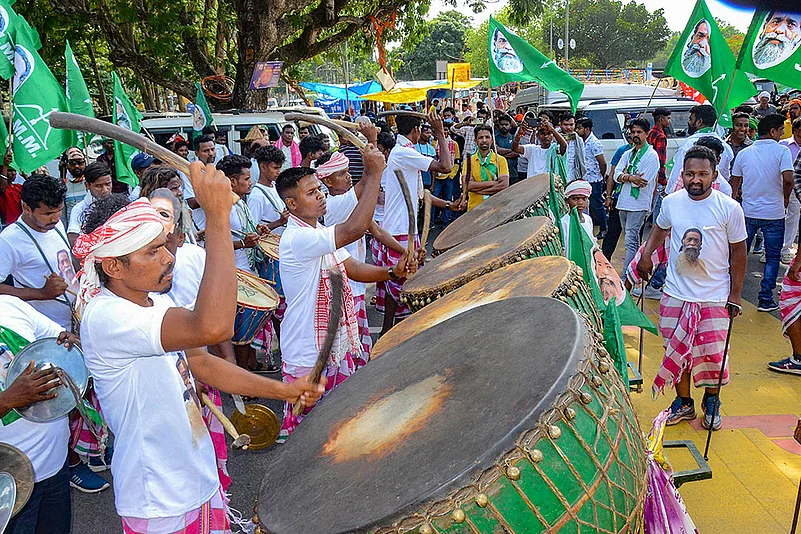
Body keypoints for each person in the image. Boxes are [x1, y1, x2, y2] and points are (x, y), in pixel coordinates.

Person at [75, 162, 324, 532]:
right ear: (113, 265)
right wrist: (217, 217)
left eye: (165, 246)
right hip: (159, 503)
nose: (169, 257)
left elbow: (202, 364)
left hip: (197, 481)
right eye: (152, 253)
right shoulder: (108, 317)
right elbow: (213, 326)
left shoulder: (152, 301)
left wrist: (283, 390)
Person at [275, 150, 413, 439]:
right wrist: (374, 174)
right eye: (312, 193)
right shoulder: (299, 238)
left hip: (333, 349)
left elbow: (351, 268)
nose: (321, 196)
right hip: (308, 354)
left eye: (320, 190)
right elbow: (354, 229)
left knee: (339, 429)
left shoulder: (317, 231)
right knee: (312, 439)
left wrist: (392, 272)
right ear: (292, 204)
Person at [637, 146, 746, 431]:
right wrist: (647, 255)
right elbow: (660, 229)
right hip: (675, 294)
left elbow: (739, 253)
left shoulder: (730, 208)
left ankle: (711, 401)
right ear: (682, 174)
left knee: (713, 355)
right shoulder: (672, 202)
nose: (695, 180)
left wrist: (735, 295)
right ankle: (683, 403)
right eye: (690, 174)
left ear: (714, 174)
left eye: (702, 174)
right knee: (677, 351)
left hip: (715, 297)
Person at [318, 149, 405, 368]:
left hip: (356, 290)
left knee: (357, 355)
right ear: (327, 180)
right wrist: (372, 144)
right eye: (341, 174)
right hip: (345, 288)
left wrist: (405, 252)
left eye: (348, 172)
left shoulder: (350, 202)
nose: (348, 177)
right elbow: (368, 182)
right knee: (346, 359)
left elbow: (376, 230)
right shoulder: (335, 205)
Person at [0, 296, 78, 534]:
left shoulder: (9, 305)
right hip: (8, 486)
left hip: (55, 465)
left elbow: (59, 341)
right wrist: (8, 400)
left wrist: (70, 346)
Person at [375, 111, 453, 334]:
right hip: (399, 229)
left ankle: (389, 330)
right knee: (403, 283)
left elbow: (419, 194)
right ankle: (393, 331)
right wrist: (439, 133)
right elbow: (446, 167)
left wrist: (447, 205)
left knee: (397, 282)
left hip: (400, 227)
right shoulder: (403, 153)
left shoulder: (404, 152)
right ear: (416, 130)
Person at [730, 113, 795, 312]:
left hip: (748, 212)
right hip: (774, 213)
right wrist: (784, 199)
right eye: (781, 131)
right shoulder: (782, 152)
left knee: (739, 254)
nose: (782, 135)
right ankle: (766, 298)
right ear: (773, 131)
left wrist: (733, 204)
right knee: (773, 257)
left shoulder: (745, 153)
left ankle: (732, 294)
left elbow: (734, 182)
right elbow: (789, 179)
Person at [614, 117, 660, 275]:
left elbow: (641, 182)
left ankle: (627, 276)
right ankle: (632, 274)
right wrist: (629, 177)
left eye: (639, 132)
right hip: (623, 203)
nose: (635, 135)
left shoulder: (651, 156)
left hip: (638, 204)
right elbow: (616, 175)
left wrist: (626, 176)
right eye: (633, 132)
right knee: (629, 241)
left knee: (631, 241)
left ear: (647, 134)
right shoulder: (628, 153)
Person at [669, 105, 734, 188]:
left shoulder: (689, 144)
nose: (688, 122)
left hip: (692, 194)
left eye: (691, 119)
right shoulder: (726, 147)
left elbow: (677, 174)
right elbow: (726, 177)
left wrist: (670, 192)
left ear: (699, 122)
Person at [602, 126, 633, 260]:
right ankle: (603, 262)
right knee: (613, 232)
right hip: (619, 198)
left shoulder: (649, 153)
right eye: (630, 132)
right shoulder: (623, 151)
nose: (632, 135)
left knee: (633, 237)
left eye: (637, 132)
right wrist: (608, 196)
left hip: (636, 203)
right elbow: (612, 175)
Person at [67, 162, 114, 247]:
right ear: (87, 185)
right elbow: (73, 237)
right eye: (98, 186)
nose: (105, 190)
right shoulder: (79, 209)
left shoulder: (120, 204)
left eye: (108, 184)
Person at [464, 125, 509, 211]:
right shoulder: (469, 161)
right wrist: (494, 183)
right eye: (480, 137)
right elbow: (467, 186)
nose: (484, 140)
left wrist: (478, 190)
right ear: (475, 141)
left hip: (495, 209)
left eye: (487, 137)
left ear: (492, 140)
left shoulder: (500, 160)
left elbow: (504, 185)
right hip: (474, 209)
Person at [576, 117, 608, 238]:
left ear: (587, 129)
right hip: (584, 178)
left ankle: (604, 228)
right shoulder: (581, 141)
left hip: (594, 179)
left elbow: (602, 163)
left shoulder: (594, 143)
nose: (577, 130)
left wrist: (601, 175)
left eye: (579, 128)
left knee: (597, 204)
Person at [780, 116, 801, 265]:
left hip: (798, 189)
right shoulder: (783, 146)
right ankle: (769, 250)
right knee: (777, 217)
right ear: (795, 131)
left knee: (793, 218)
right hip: (781, 186)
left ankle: (786, 249)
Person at [433, 126, 461, 226]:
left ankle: (445, 223)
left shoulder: (454, 144)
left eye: (446, 130)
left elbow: (457, 160)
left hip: (449, 177)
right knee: (433, 200)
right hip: (437, 177)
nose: (444, 132)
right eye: (442, 130)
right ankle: (430, 223)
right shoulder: (433, 144)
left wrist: (452, 174)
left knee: (448, 199)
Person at [560, 180, 596, 253]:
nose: (580, 203)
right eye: (575, 199)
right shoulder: (563, 222)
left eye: (584, 199)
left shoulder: (588, 219)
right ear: (567, 200)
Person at [183, 134, 217, 210]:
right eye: (206, 151)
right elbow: (192, 203)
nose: (211, 153)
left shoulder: (218, 170)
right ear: (196, 153)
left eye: (212, 149)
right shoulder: (189, 173)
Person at [59, 147, 88, 223]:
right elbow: (62, 217)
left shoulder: (92, 182)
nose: (77, 166)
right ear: (66, 164)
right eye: (73, 163)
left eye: (80, 162)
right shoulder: (63, 185)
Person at [560, 112, 585, 182]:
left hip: (573, 176)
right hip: (558, 175)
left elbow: (582, 160)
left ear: (575, 125)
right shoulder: (554, 138)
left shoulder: (578, 140)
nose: (568, 127)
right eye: (565, 125)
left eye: (571, 125)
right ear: (560, 124)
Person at [494, 114, 519, 184]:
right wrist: (512, 150)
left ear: (510, 126)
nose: (504, 126)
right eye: (502, 124)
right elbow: (497, 151)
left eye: (506, 124)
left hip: (513, 173)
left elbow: (516, 153)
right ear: (499, 125)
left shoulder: (514, 138)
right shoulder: (494, 138)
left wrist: (501, 155)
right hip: (499, 174)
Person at [413, 123, 437, 190]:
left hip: (427, 182)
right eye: (427, 133)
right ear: (420, 133)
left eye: (430, 133)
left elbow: (434, 170)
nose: (429, 135)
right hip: (415, 181)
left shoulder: (432, 149)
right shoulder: (413, 147)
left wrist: (432, 185)